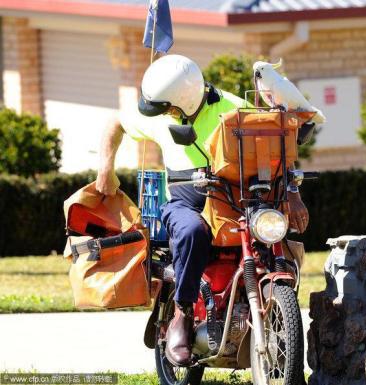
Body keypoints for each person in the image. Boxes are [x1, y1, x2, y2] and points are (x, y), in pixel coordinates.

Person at [95, 54, 310, 366]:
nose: (164, 113)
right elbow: (115, 123)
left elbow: (276, 148)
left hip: (235, 199)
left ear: (183, 99)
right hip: (185, 200)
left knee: (271, 230)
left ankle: (273, 309)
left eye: (168, 107)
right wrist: (105, 169)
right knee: (192, 230)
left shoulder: (236, 109)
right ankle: (181, 313)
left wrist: (292, 191)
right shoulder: (160, 116)